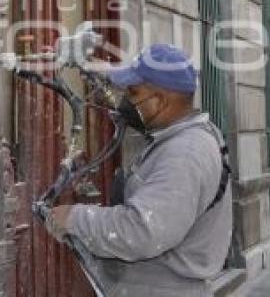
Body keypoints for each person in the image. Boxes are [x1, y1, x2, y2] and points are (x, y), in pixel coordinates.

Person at [47, 43, 232, 297]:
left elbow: (143, 232)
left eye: (133, 93)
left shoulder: (184, 154)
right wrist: (95, 69)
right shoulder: (188, 134)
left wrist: (74, 219)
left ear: (159, 101)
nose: (125, 101)